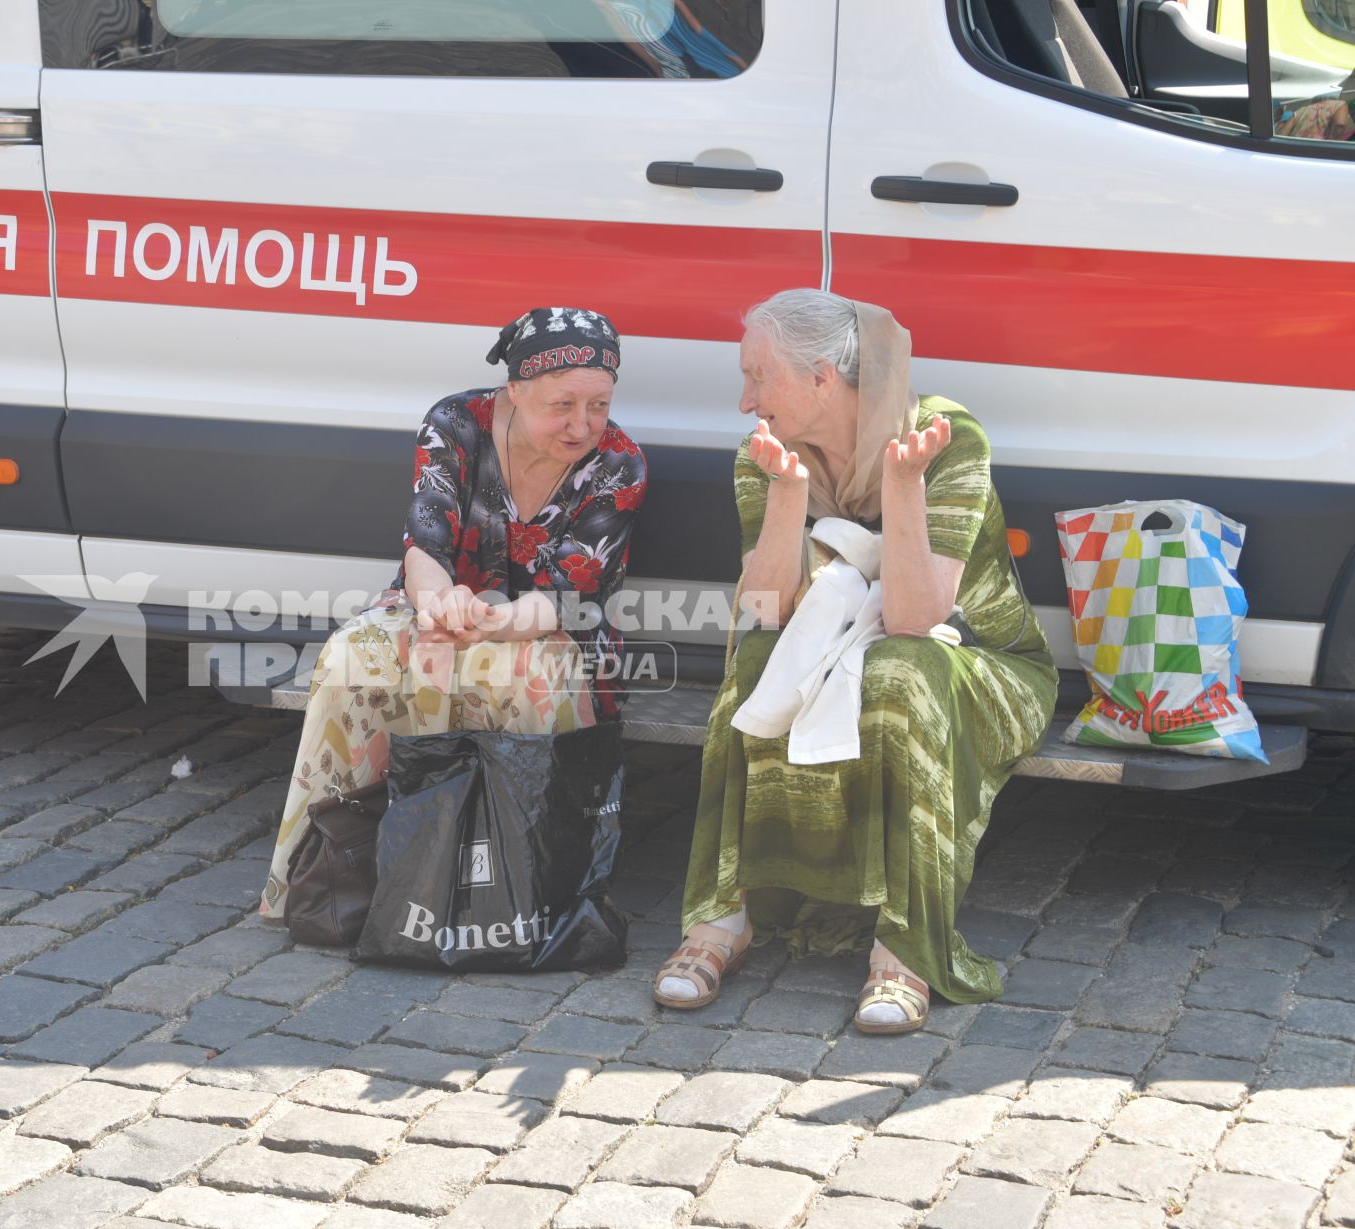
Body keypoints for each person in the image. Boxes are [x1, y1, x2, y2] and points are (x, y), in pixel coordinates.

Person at [656, 289, 1056, 1033]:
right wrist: (786, 495)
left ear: (820, 379)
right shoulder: (765, 452)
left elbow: (915, 620)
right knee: (755, 663)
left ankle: (904, 950)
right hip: (839, 650)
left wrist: (903, 486)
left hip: (984, 665)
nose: (745, 400)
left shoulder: (942, 435)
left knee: (901, 672)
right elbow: (769, 611)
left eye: (758, 376)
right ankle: (721, 919)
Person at [262, 307, 647, 920]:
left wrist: (493, 621)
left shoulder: (619, 464)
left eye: (598, 405)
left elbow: (572, 595)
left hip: (550, 621)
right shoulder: (455, 423)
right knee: (355, 656)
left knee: (526, 674)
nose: (582, 425)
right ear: (515, 391)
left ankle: (526, 897)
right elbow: (425, 545)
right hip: (439, 602)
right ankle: (333, 879)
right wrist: (442, 604)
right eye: (563, 405)